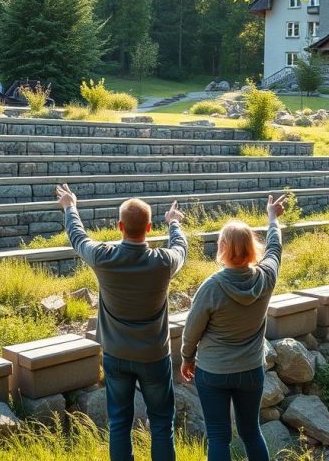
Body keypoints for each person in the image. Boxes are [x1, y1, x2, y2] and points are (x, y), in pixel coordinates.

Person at [56, 184, 188, 461]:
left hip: (116, 356)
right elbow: (180, 247)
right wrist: (174, 223)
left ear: (119, 226)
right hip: (154, 356)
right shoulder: (163, 262)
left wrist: (70, 207)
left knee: (119, 424)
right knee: (162, 424)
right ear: (150, 227)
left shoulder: (104, 257)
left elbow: (78, 238)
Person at [178, 194, 287, 461]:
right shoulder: (266, 277)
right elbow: (274, 248)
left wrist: (186, 357)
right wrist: (272, 218)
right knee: (251, 432)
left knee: (218, 436)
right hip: (251, 370)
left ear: (222, 247)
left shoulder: (212, 287)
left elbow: (192, 330)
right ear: (251, 247)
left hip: (213, 371)